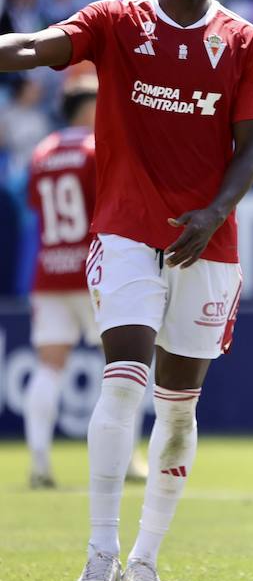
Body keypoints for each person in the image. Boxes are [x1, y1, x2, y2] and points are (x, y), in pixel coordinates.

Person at [0, 0, 253, 581]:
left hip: (207, 244)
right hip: (126, 230)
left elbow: (251, 148)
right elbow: (35, 48)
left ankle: (147, 561)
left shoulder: (244, 41)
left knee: (179, 406)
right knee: (122, 379)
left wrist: (214, 211)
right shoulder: (116, 22)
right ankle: (100, 554)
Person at [23, 78, 149, 488]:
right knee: (122, 367)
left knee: (48, 367)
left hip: (49, 270)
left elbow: (35, 207)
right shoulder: (97, 149)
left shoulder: (41, 153)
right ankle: (126, 461)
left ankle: (40, 462)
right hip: (96, 270)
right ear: (87, 108)